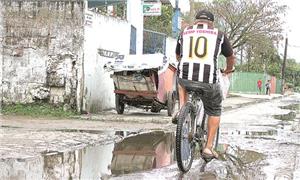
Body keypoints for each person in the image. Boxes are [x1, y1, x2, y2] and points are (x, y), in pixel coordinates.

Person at [173, 10, 235, 162]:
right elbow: (230, 57)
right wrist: (227, 70)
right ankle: (208, 147)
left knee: (181, 80)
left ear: (196, 21)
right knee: (214, 108)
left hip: (185, 77)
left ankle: (182, 109)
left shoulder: (185, 32)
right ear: (211, 23)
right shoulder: (219, 34)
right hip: (208, 81)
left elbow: (178, 56)